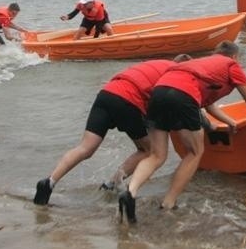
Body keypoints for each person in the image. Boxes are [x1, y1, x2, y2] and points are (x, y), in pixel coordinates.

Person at [117, 41, 246, 223]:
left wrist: (230, 122)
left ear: (214, 53)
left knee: (157, 155)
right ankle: (168, 203)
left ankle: (130, 192)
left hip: (158, 92)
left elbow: (208, 106)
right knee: (195, 152)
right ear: (235, 57)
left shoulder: (198, 65)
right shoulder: (231, 65)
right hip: (183, 95)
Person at [33, 54, 192, 205]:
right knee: (149, 150)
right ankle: (112, 184)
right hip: (127, 99)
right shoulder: (175, 74)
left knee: (85, 148)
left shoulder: (155, 64)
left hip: (106, 94)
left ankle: (50, 182)